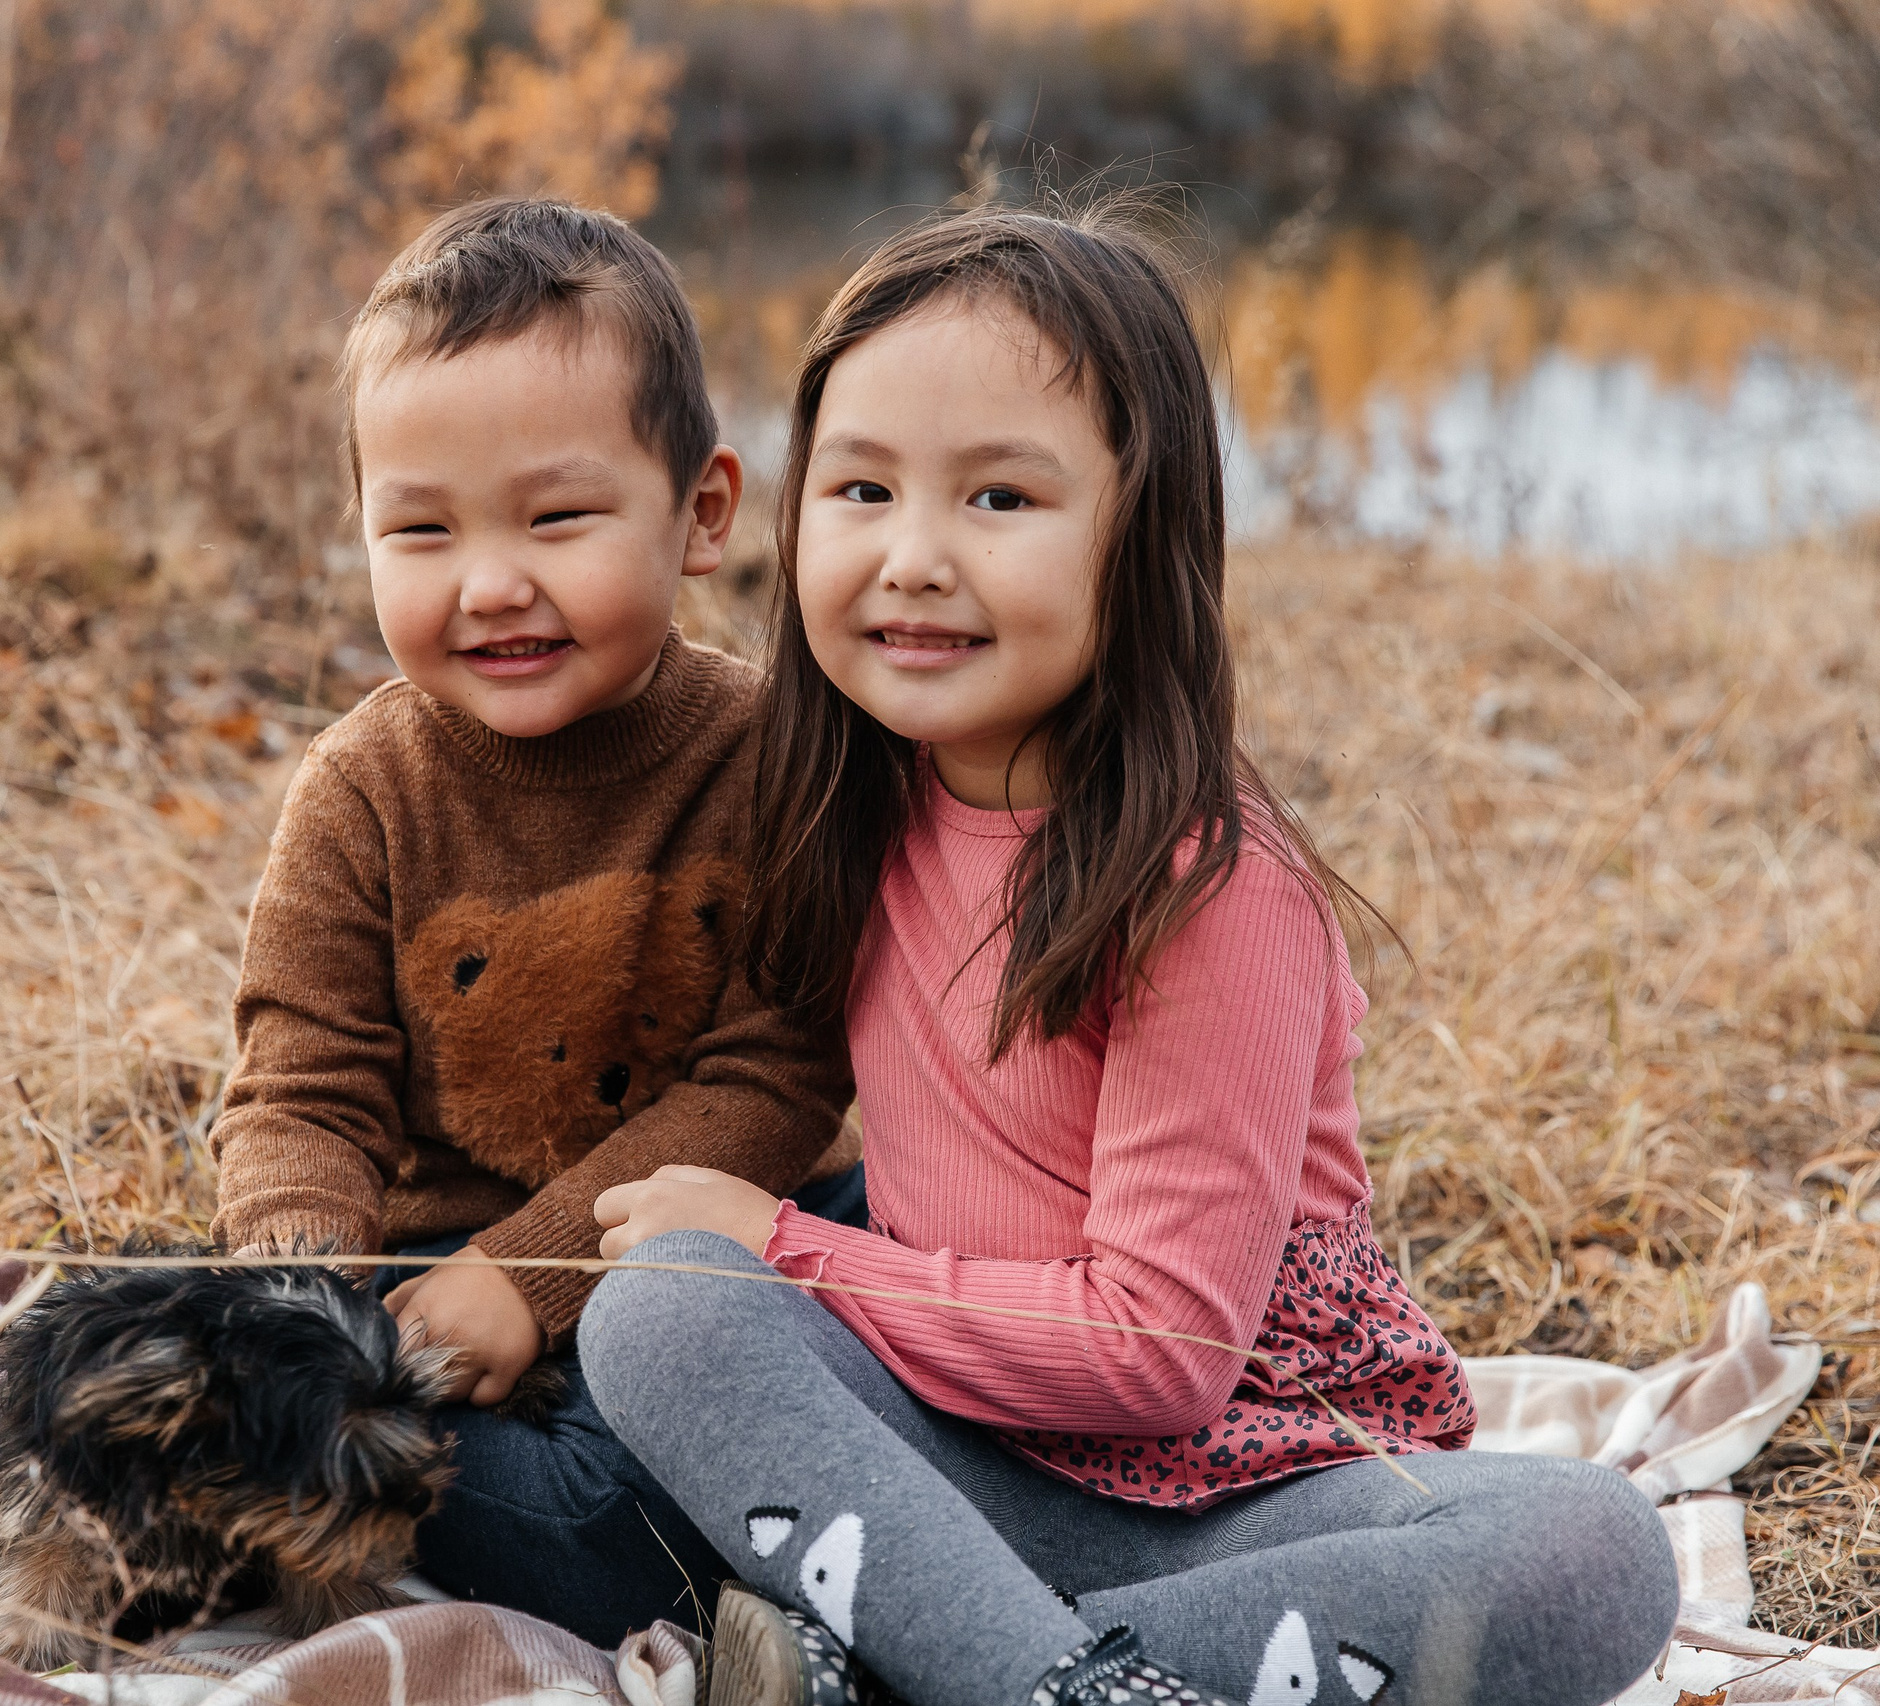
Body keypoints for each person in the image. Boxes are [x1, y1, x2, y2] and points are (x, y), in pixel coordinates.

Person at [579, 203, 1678, 1706]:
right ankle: (1007, 1651)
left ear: (1142, 528)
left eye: (1001, 499)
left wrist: (790, 1246)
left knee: (1598, 1549)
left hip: (1243, 1489)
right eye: (861, 488)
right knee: (662, 1310)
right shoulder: (846, 793)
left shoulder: (1208, 893)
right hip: (954, 1451)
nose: (913, 557)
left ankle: (997, 1663)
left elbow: (1160, 1350)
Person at [207, 196, 862, 1648]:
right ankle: (316, 1479)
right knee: (221, 1370)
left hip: (710, 1283)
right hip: (425, 1308)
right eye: (421, 529)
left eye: (557, 518)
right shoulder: (363, 790)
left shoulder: (769, 757)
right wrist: (317, 1319)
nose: (491, 582)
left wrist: (540, 1273)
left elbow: (774, 1079)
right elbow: (299, 1088)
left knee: (870, 1270)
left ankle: (721, 1565)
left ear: (700, 512)